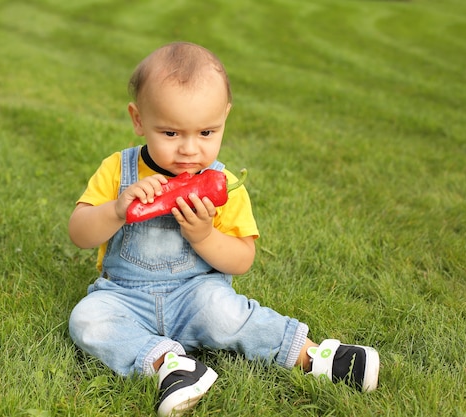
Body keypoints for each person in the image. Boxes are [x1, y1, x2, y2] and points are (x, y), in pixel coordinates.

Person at [68, 41, 379, 416]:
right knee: (87, 318)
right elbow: (80, 234)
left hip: (196, 295)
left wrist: (203, 235)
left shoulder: (223, 184)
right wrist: (117, 209)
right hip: (125, 297)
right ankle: (169, 365)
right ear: (138, 119)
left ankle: (316, 357)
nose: (189, 150)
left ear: (225, 119)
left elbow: (241, 260)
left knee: (226, 313)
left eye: (206, 133)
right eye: (170, 133)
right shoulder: (120, 170)